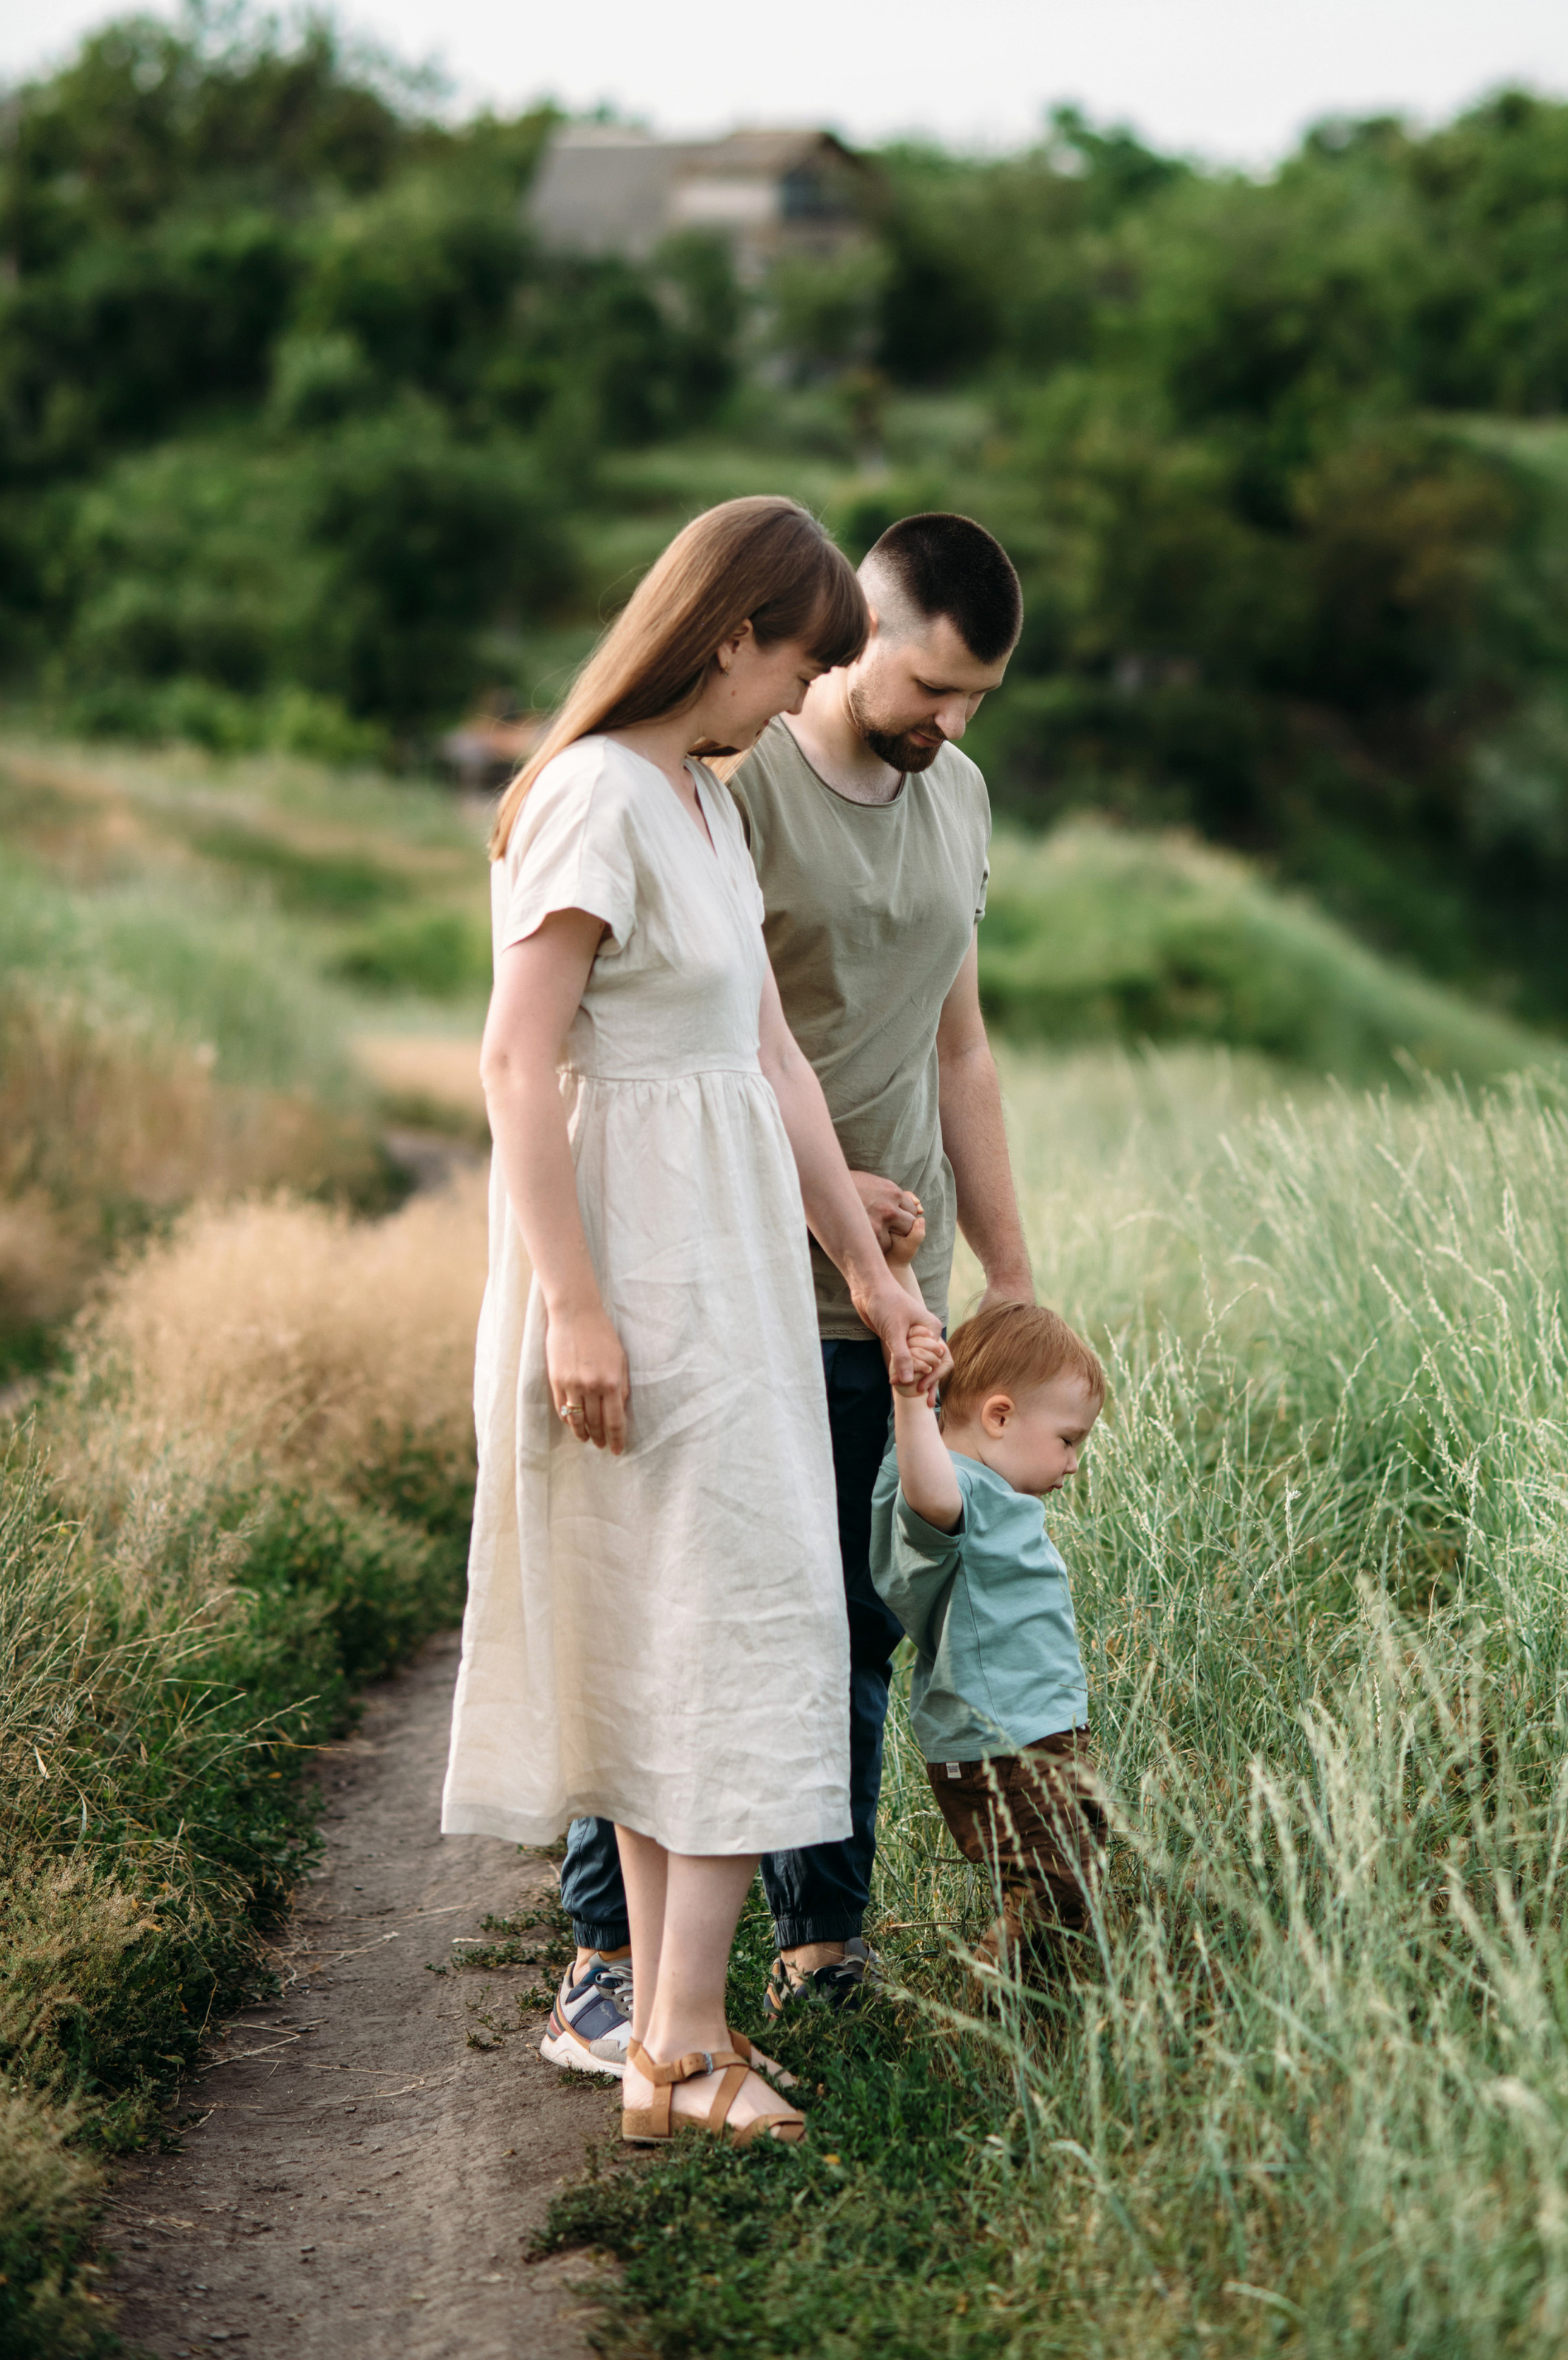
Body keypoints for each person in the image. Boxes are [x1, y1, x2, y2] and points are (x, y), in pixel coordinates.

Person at [441, 494, 940, 2149]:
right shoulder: (591, 796)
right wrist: (574, 1307)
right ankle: (677, 2034)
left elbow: (770, 1058)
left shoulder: (705, 804)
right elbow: (517, 1063)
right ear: (729, 636)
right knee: (745, 1611)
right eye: (795, 662)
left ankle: (672, 2037)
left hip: (729, 1256)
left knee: (699, 1622)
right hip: (638, 1264)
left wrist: (862, 1267)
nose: (793, 700)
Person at [548, 511, 1036, 2067]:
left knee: (853, 1619)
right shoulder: (726, 777)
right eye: (931, 688)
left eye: (977, 702)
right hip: (729, 1264)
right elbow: (677, 1034)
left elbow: (961, 1049)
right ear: (855, 638)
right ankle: (605, 1955)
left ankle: (822, 1938)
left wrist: (1003, 1270)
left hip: (896, 1293)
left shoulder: (953, 799)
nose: (949, 726)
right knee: (680, 1608)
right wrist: (821, 1215)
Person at [870, 1297, 1107, 1982]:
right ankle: (992, 1994)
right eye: (1069, 1440)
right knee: (1057, 1880)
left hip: (1040, 1732)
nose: (1073, 1463)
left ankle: (1031, 2000)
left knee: (1072, 1871)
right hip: (1002, 1741)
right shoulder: (949, 1489)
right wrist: (913, 1399)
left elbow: (915, 1331)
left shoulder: (996, 1490)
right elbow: (930, 1491)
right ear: (1000, 1417)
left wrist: (904, 1267)